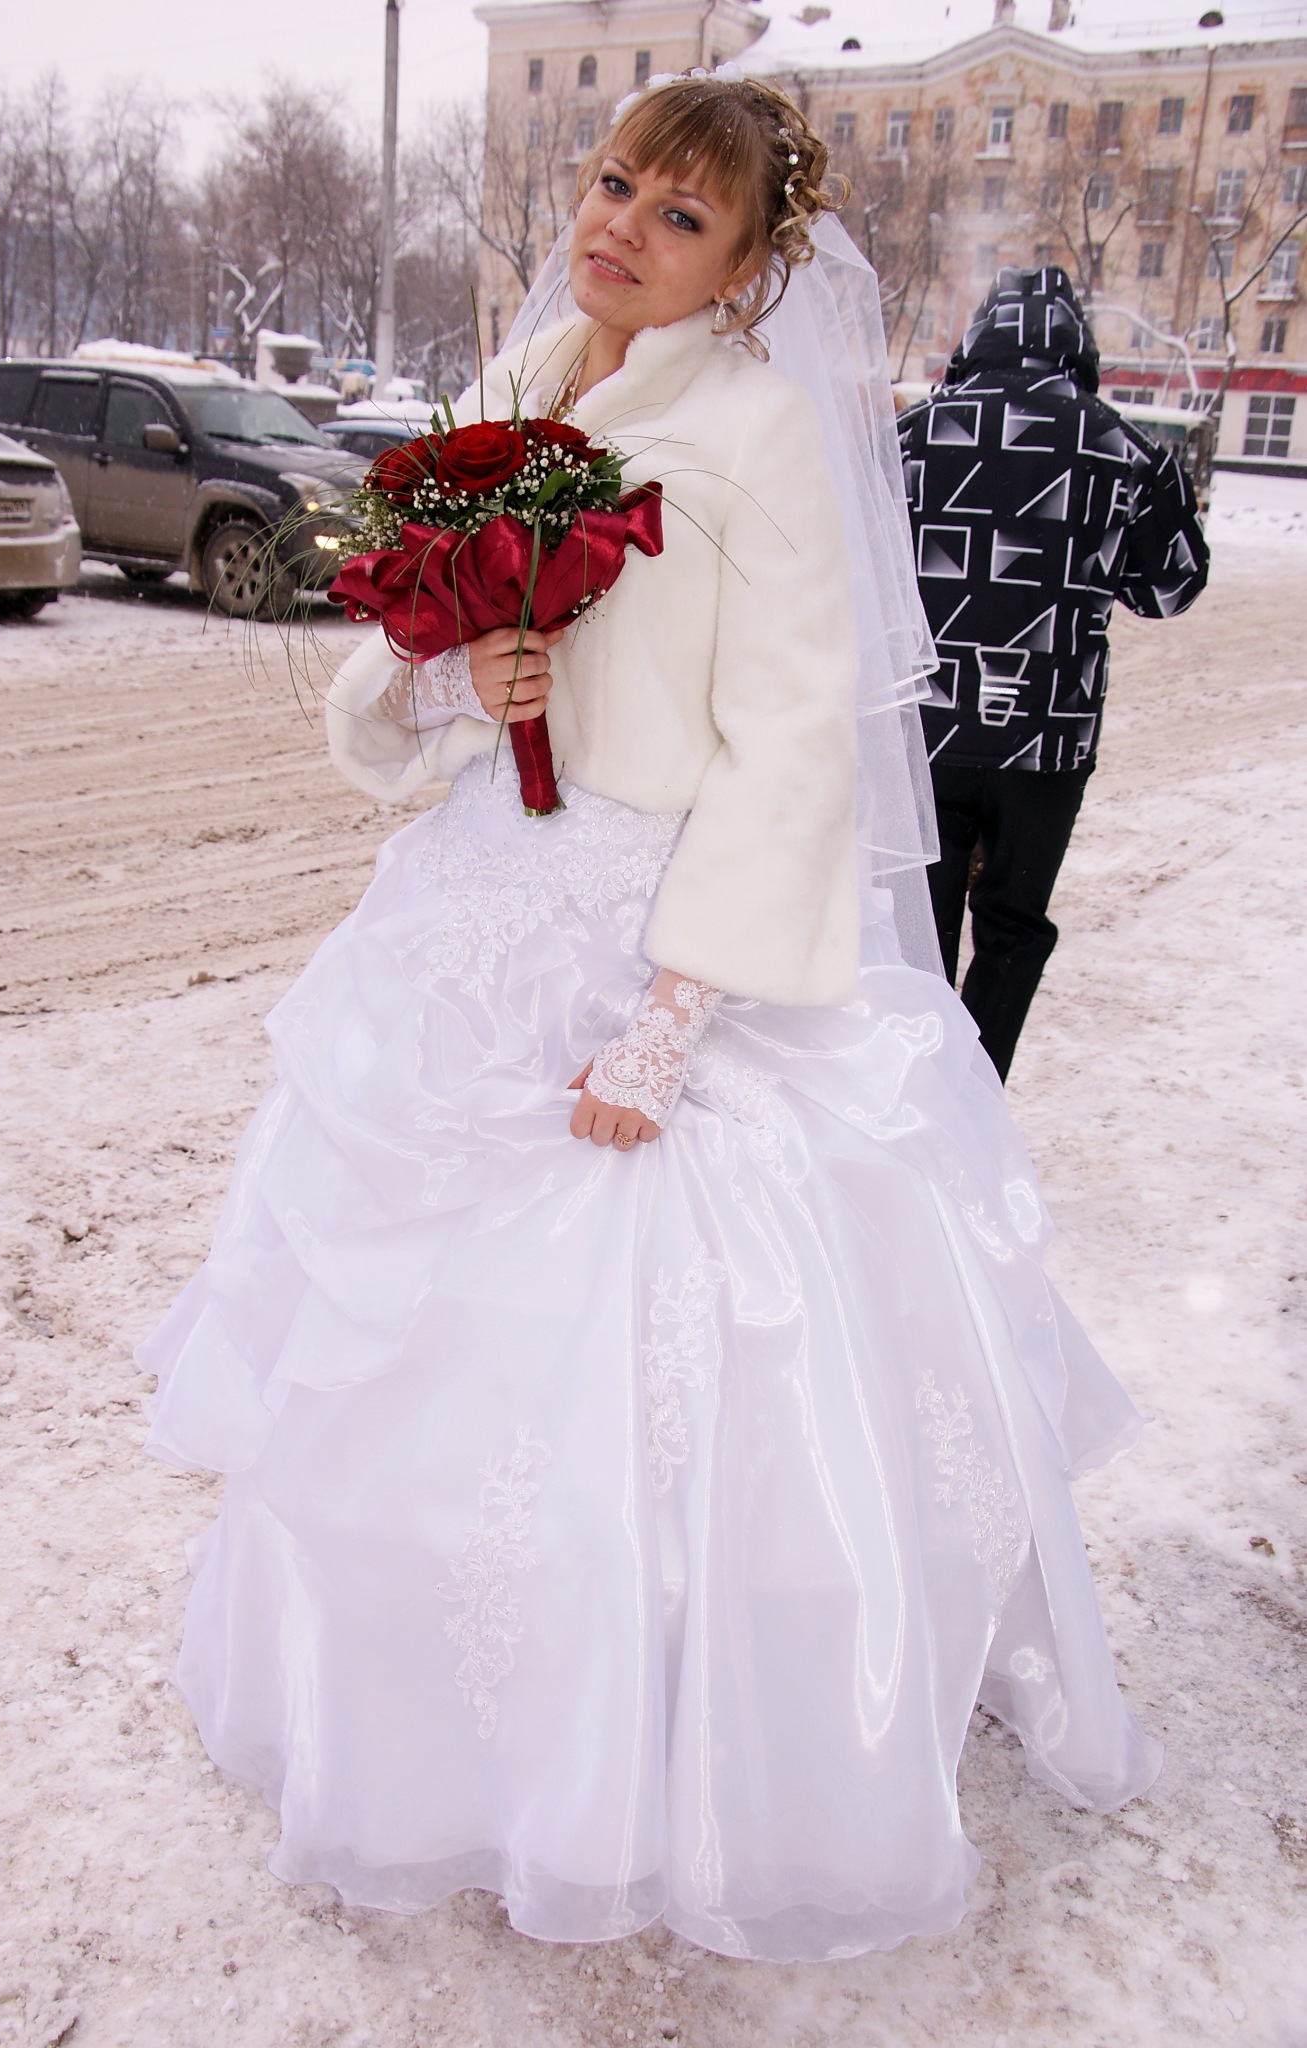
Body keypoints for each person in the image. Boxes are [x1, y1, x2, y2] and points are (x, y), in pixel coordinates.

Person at [139, 78, 1161, 1965]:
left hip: (655, 936)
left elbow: (792, 752)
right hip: (473, 920)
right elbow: (393, 674)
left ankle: (671, 1741)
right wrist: (457, 680)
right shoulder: (515, 385)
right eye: (615, 182)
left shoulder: (760, 433)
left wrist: (671, 1019)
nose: (622, 225)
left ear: (751, 264)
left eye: (681, 215)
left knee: (664, 1378)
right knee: (407, 1361)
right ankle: (423, 1721)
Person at [897, 266, 1209, 1081]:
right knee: (1013, 923)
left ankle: (915, 1098)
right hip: (1047, 737)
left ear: (977, 338)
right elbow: (1170, 588)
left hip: (924, 732)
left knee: (916, 932)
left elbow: (847, 570)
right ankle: (977, 1095)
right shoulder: (1122, 445)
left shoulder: (909, 436)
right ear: (1078, 346)